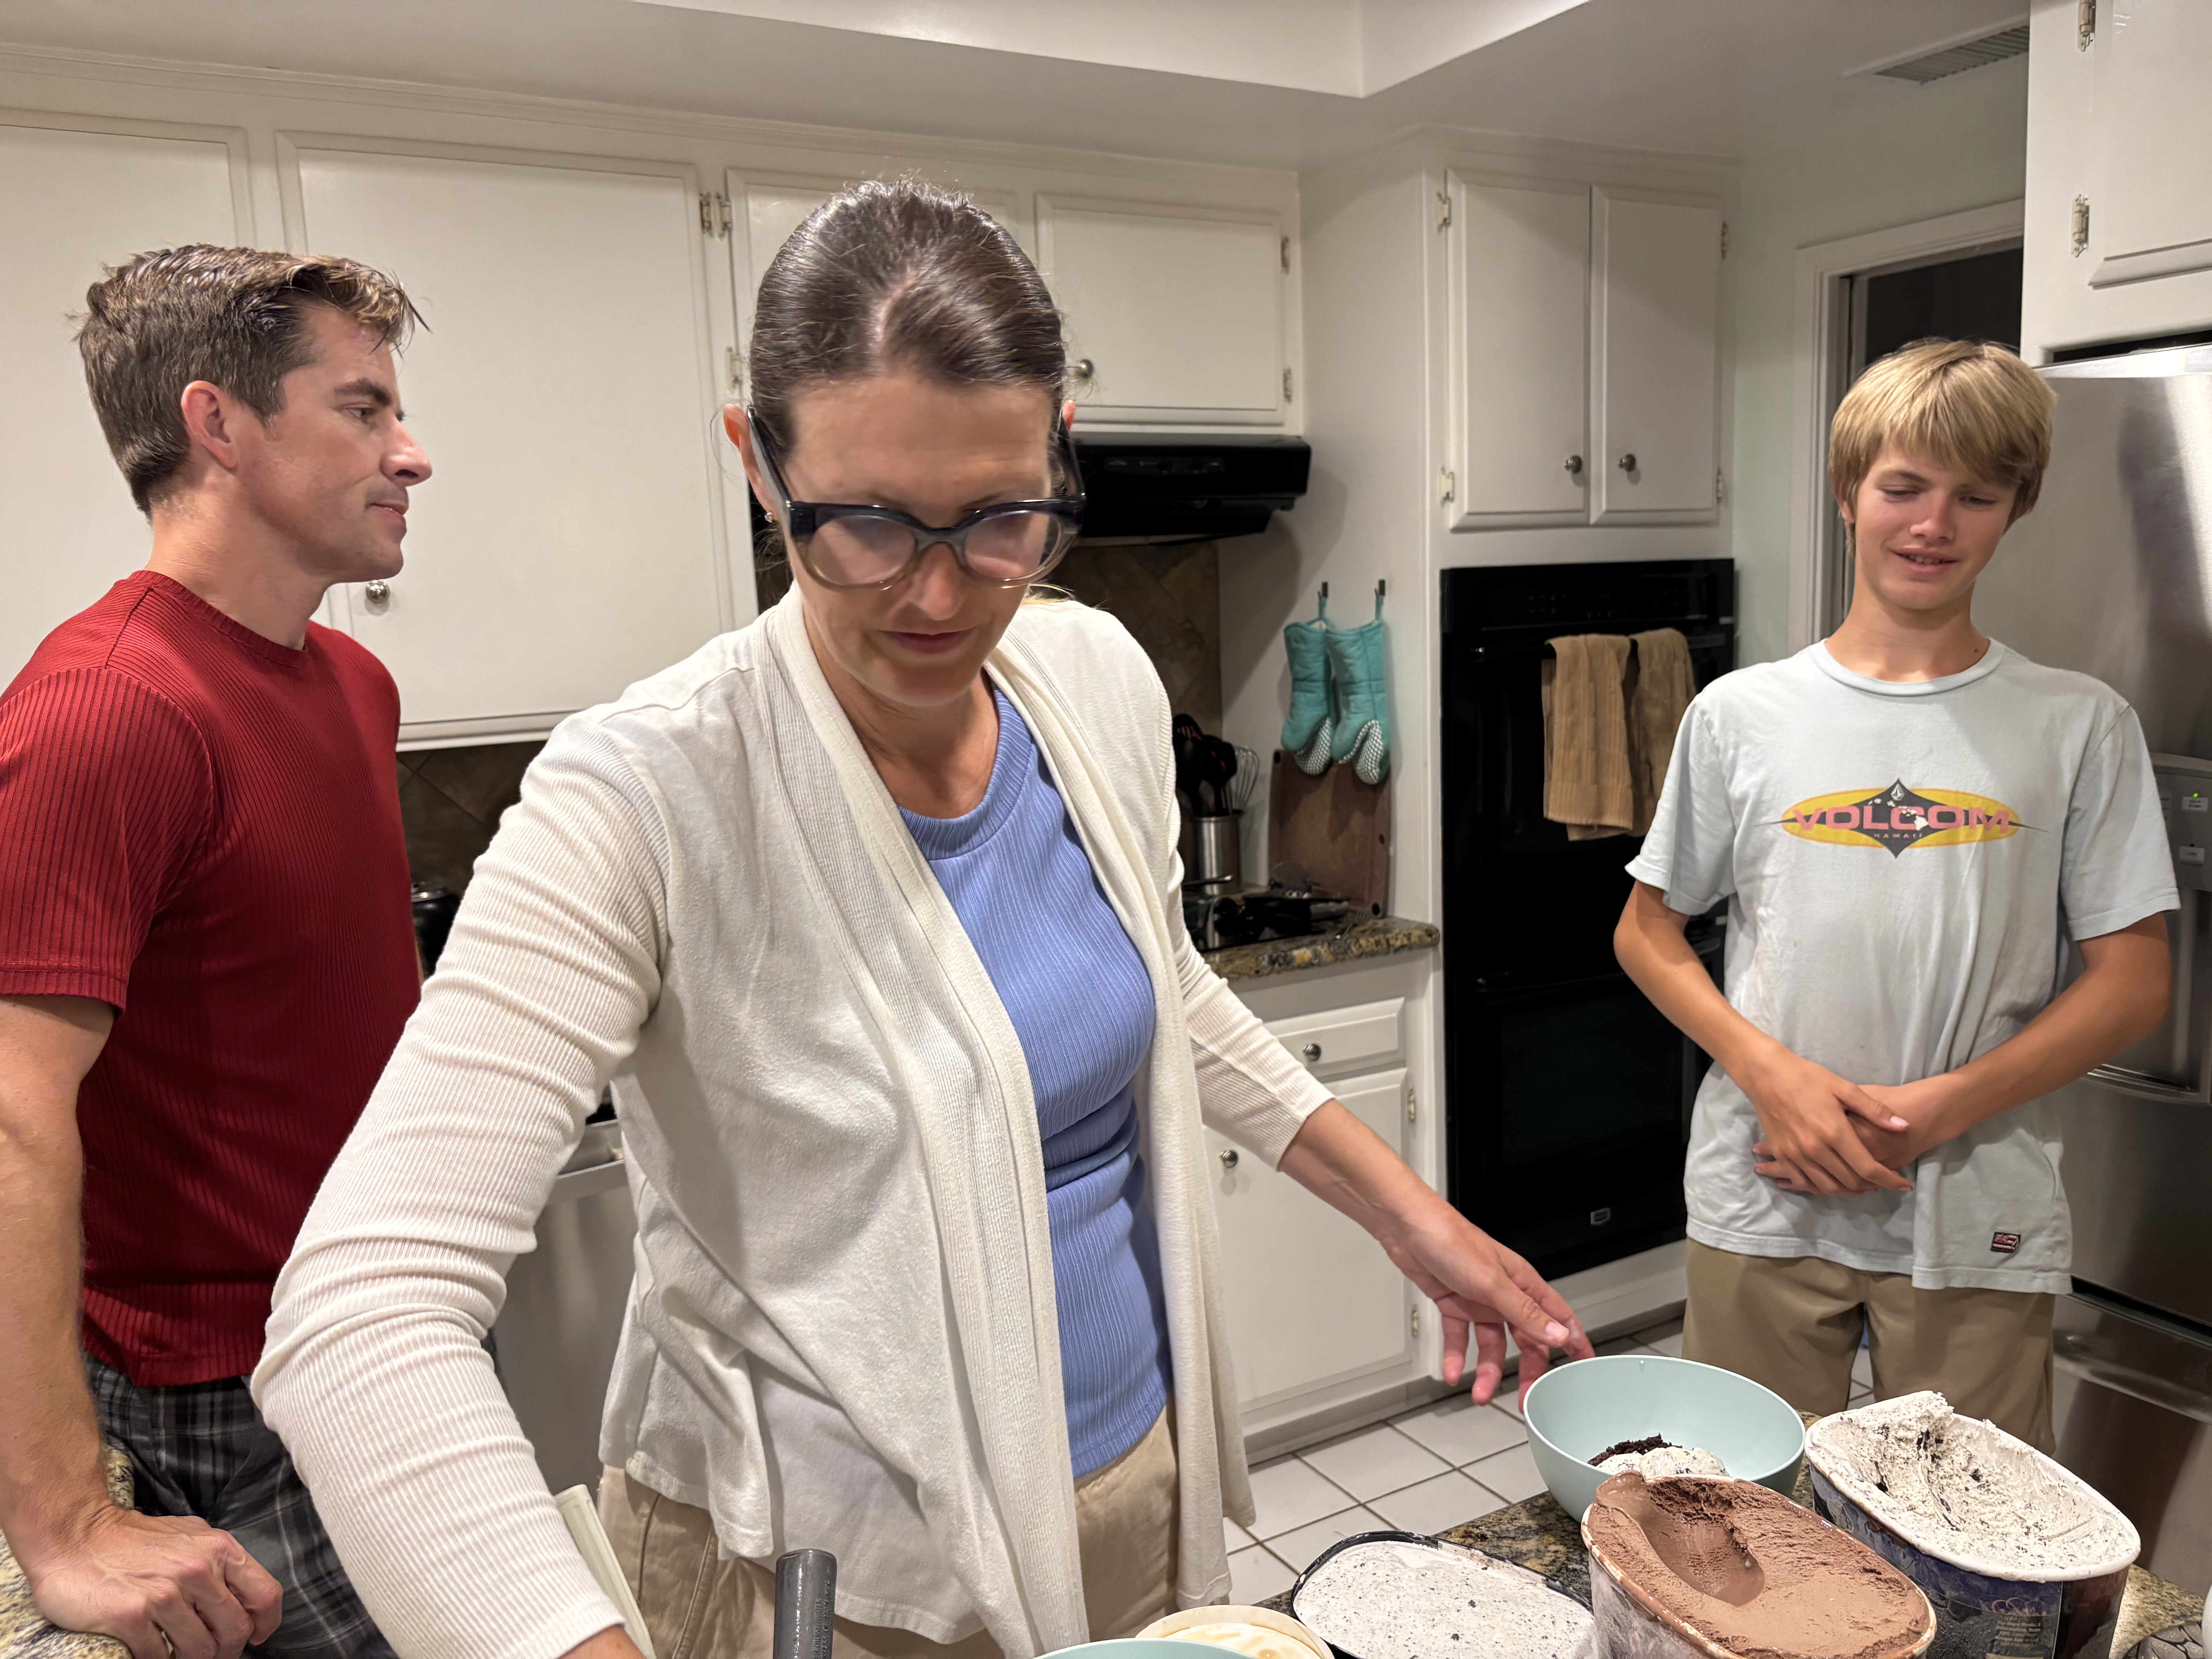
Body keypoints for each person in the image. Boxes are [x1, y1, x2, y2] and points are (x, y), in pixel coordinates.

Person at [254, 179, 1595, 1659]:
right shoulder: (643, 792)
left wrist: (1416, 1219)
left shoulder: (1094, 679)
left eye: (1002, 517)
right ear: (760, 469)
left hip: (1128, 1503)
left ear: (1058, 460)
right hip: (832, 1581)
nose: (941, 594)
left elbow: (1166, 994)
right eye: (869, 525)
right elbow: (357, 1320)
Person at [1615, 339, 2177, 1449]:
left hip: (1978, 1203)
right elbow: (1648, 934)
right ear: (1847, 491)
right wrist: (1772, 1077)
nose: (1934, 523)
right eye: (1904, 486)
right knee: (1743, 1517)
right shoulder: (1741, 714)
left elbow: (2135, 980)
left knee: (1970, 1534)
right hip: (1765, 1189)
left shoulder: (2080, 724)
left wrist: (1939, 1109)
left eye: (1977, 494)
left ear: (2017, 508)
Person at [0, 246, 431, 1659]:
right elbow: (11, 1120)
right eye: (362, 409)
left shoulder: (353, 681)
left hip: (390, 1326)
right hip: (235, 1390)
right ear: (219, 424)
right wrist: (63, 1523)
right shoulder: (106, 713)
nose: (410, 454)